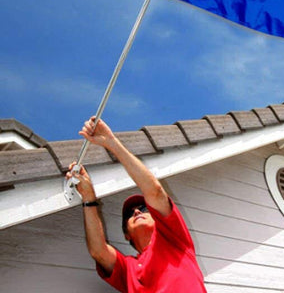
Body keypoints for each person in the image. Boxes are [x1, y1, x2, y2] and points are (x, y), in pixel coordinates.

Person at [66, 116, 207, 293]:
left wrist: (112, 143)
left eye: (143, 208)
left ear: (158, 221)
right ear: (126, 235)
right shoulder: (128, 268)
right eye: (129, 215)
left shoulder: (174, 239)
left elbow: (154, 191)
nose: (136, 212)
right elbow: (98, 252)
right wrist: (88, 196)